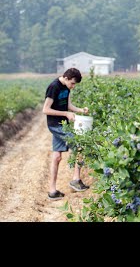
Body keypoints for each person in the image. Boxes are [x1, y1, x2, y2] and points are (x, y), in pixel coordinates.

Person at [43, 67, 90, 201]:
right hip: (55, 125)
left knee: (57, 156)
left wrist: (81, 110)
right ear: (66, 78)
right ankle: (76, 179)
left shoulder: (66, 87)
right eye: (73, 83)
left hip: (63, 125)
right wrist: (65, 114)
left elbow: (68, 106)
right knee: (80, 145)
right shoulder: (54, 87)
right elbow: (45, 109)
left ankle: (52, 191)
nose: (73, 86)